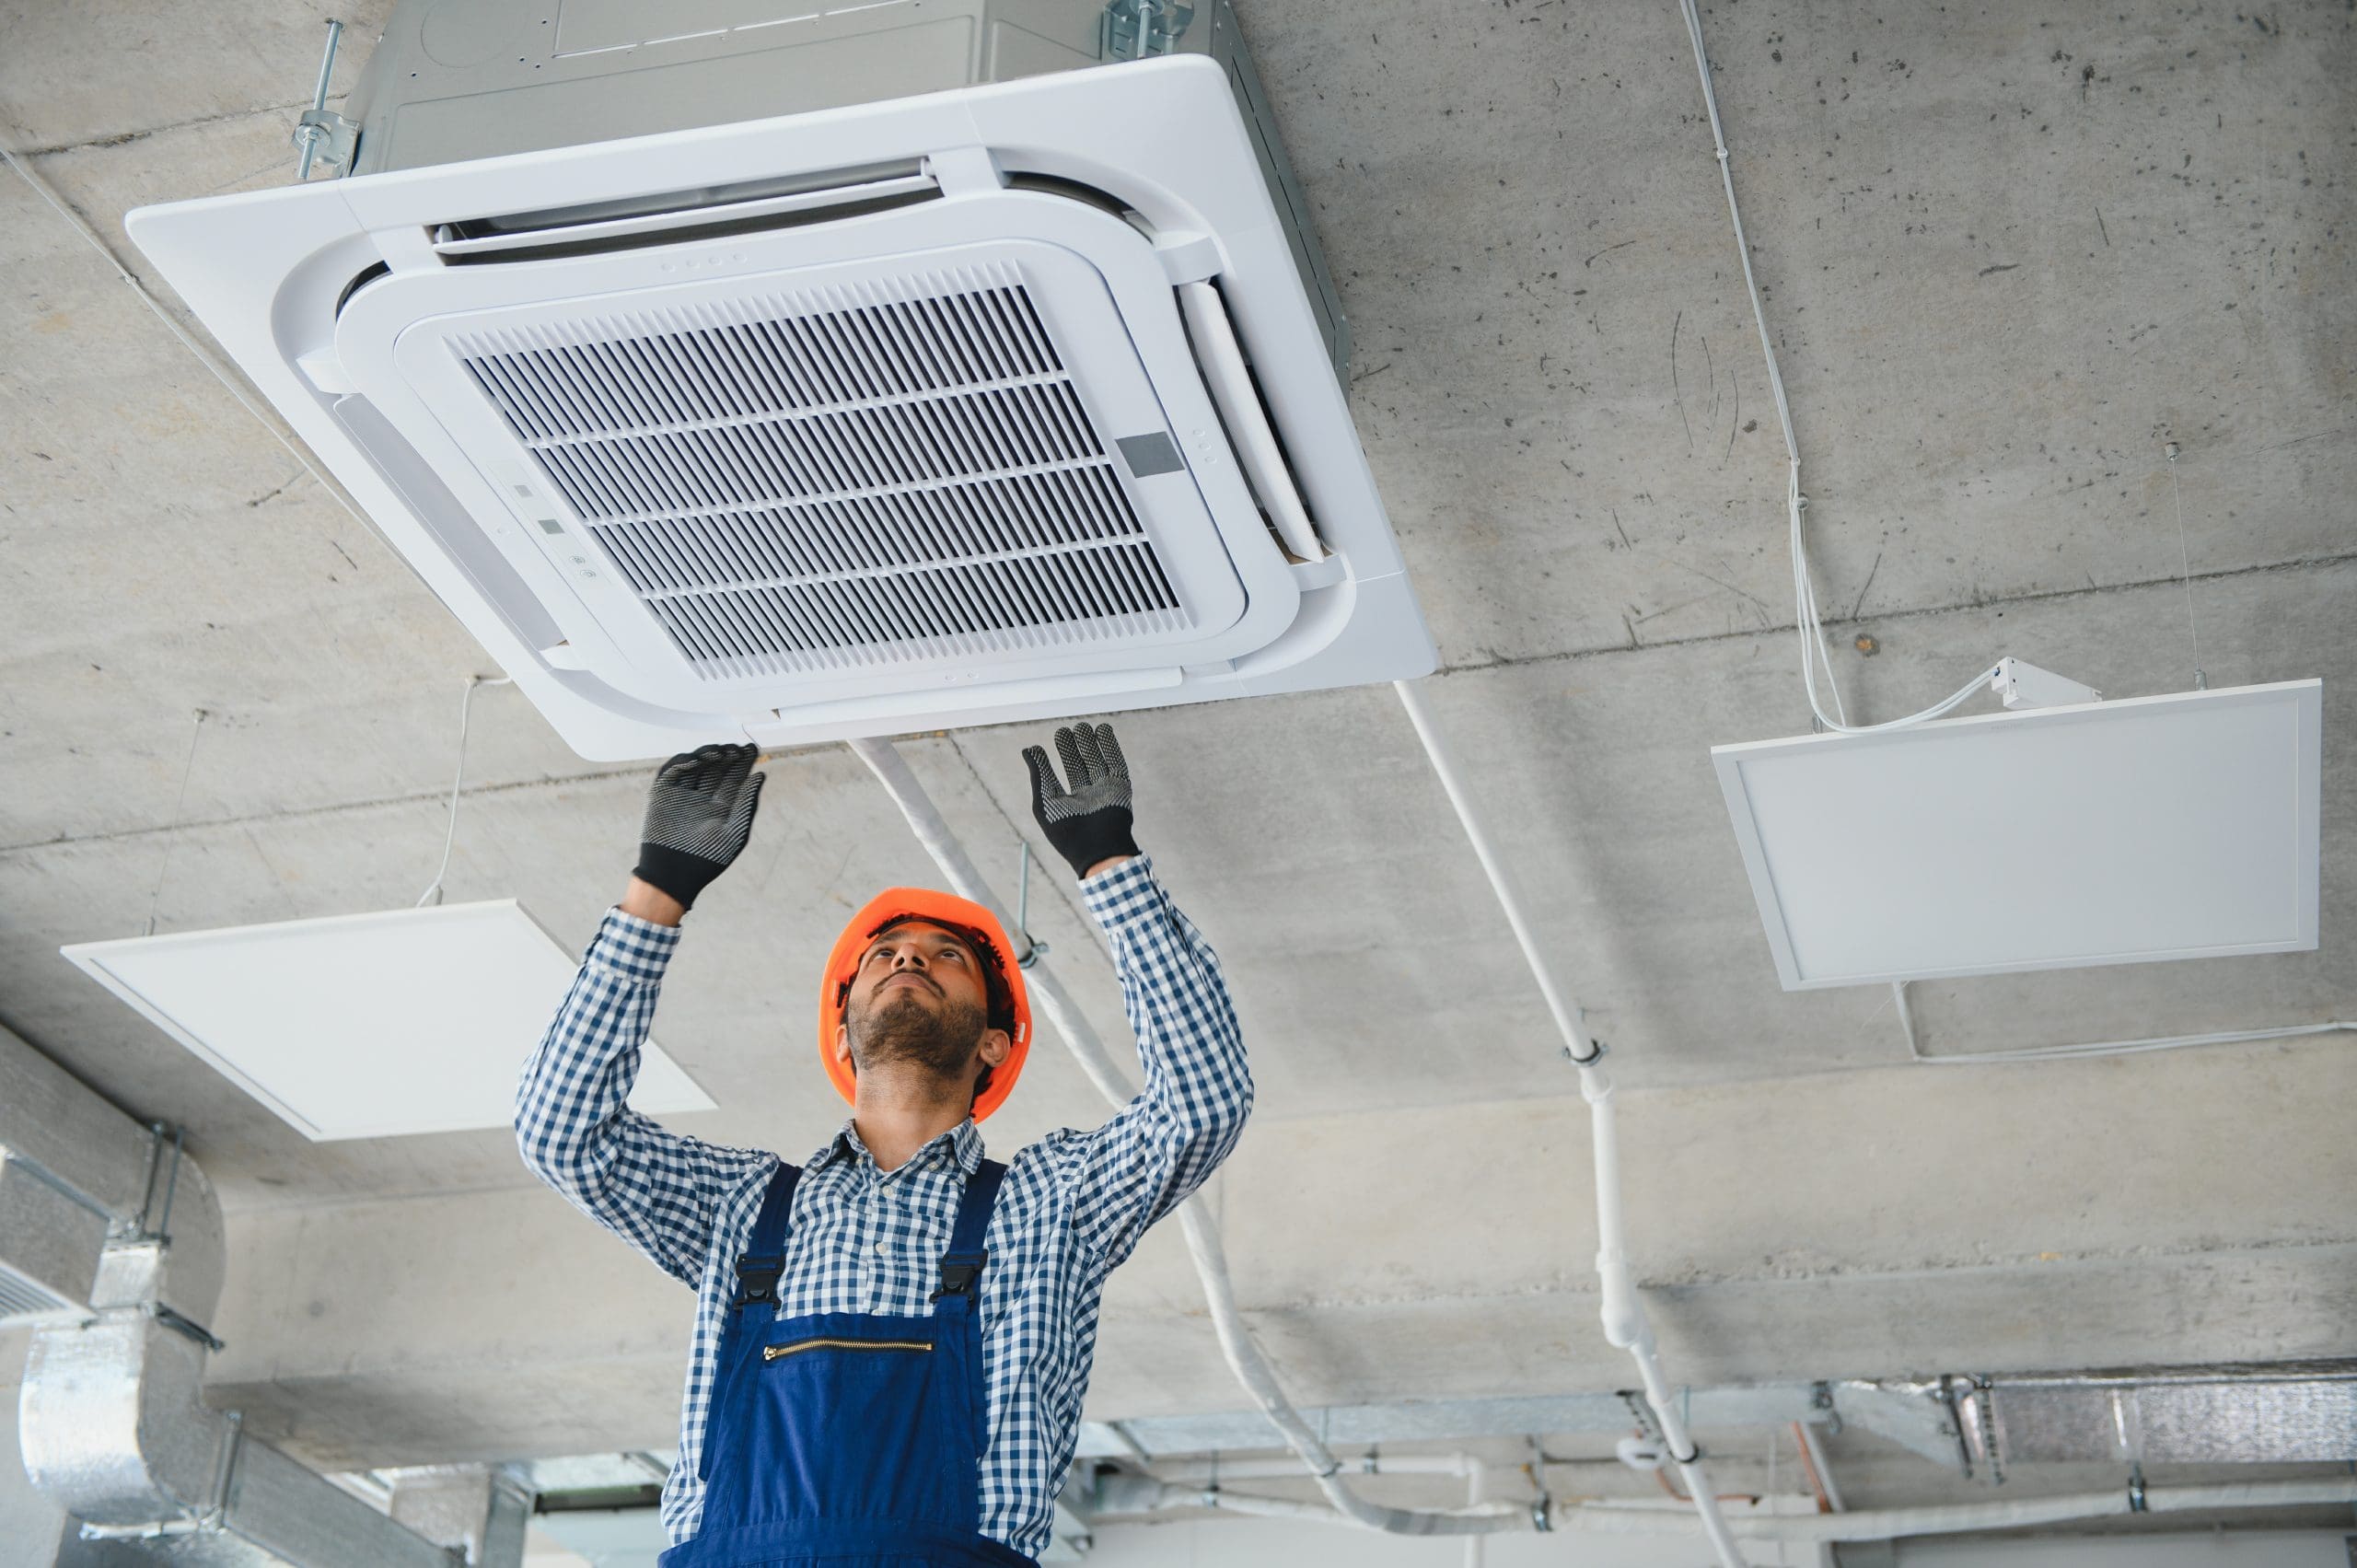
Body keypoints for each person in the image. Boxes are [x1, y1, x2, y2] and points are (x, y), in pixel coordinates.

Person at [516, 723, 1249, 1567]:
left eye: (948, 957)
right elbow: (561, 1133)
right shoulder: (743, 1206)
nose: (911, 958)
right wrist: (659, 889)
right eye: (887, 955)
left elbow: (1203, 1101)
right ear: (845, 1030)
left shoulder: (1052, 1203)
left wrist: (1109, 865)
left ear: (993, 1044)